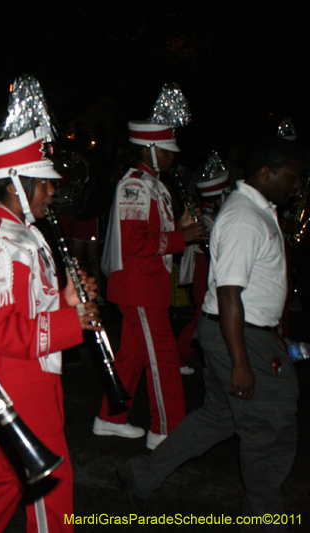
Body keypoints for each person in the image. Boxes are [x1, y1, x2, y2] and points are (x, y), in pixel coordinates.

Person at [119, 138, 305, 531]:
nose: (296, 185)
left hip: (242, 332)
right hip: (237, 335)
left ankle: (144, 475)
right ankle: (264, 518)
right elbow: (228, 294)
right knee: (269, 425)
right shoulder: (243, 219)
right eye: (291, 177)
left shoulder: (256, 211)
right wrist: (241, 363)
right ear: (266, 173)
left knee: (217, 419)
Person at [0, 79, 101, 533]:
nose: (53, 194)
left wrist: (69, 300)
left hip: (36, 376)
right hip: (17, 381)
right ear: (17, 184)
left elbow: (32, 304)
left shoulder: (25, 234)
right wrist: (71, 323)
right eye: (45, 185)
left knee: (8, 479)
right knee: (52, 486)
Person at [97, 117, 206, 450]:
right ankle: (167, 429)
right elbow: (134, 242)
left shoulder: (150, 183)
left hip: (146, 286)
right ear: (151, 148)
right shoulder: (136, 185)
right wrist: (180, 236)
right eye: (168, 151)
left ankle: (110, 419)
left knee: (133, 356)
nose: (174, 158)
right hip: (138, 286)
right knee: (163, 357)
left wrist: (181, 226)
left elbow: (146, 232)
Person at [176, 152, 232, 374]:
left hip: (212, 268)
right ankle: (177, 355)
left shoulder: (216, 215)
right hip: (205, 268)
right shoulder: (205, 218)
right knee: (203, 314)